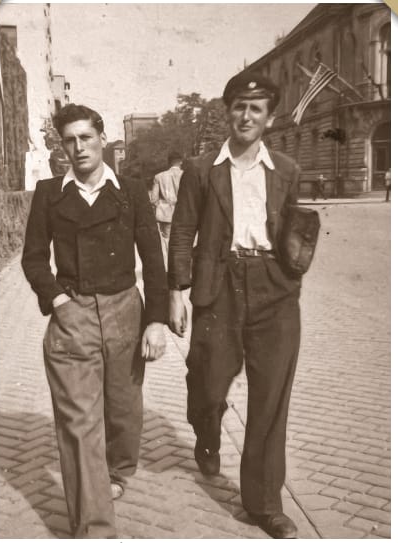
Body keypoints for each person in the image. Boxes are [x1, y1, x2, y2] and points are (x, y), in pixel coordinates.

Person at [22, 104, 168, 538]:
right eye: (69, 140)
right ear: (62, 146)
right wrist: (59, 301)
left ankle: (118, 471)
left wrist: (156, 321)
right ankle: (95, 528)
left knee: (124, 410)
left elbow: (153, 260)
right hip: (74, 315)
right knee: (80, 423)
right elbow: (33, 259)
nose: (79, 147)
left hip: (125, 311)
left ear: (102, 138)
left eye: (86, 137)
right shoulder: (49, 193)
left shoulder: (131, 191)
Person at [168, 71, 302, 539]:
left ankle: (265, 504)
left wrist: (293, 269)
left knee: (270, 399)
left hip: (274, 289)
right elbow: (182, 231)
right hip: (218, 287)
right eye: (239, 107)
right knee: (207, 385)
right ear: (227, 112)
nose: (246, 116)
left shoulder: (286, 169)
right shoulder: (201, 169)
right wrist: (176, 292)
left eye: (256, 109)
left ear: (270, 118)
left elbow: (292, 227)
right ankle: (207, 433)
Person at [149, 151, 183, 265]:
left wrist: (159, 206)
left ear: (169, 162)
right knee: (183, 240)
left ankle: (169, 266)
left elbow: (154, 199)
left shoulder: (159, 176)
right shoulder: (186, 175)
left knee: (167, 240)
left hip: (166, 213)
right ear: (181, 162)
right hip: (184, 213)